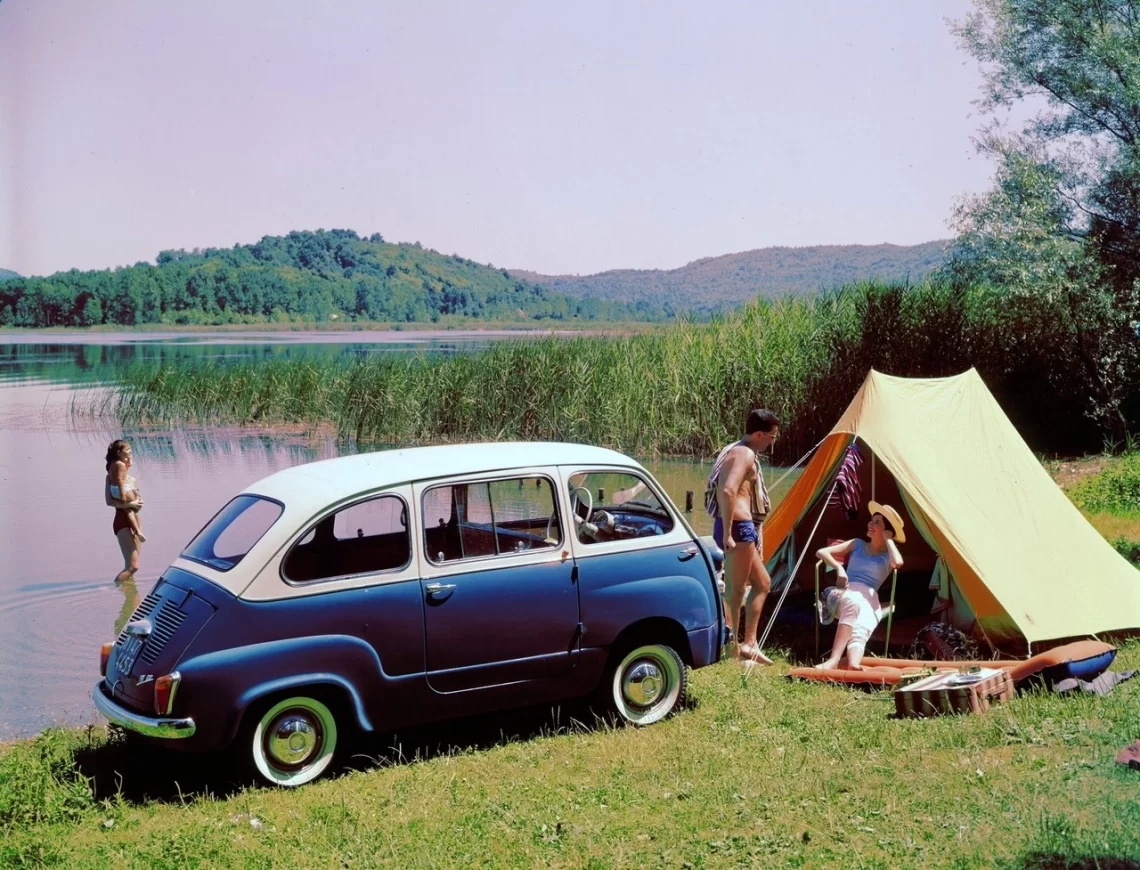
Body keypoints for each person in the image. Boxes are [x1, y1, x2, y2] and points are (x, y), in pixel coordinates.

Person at [711, 408, 780, 665]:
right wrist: (728, 533)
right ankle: (732, 648)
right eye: (772, 437)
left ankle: (749, 644)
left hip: (740, 527)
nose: (772, 442)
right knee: (736, 590)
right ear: (759, 434)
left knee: (762, 583)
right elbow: (728, 490)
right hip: (738, 528)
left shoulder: (736, 450)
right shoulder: (745, 453)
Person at [814, 501, 905, 670]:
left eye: (877, 522)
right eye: (871, 520)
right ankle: (834, 660)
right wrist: (839, 568)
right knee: (853, 603)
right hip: (843, 591)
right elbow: (821, 552)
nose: (870, 524)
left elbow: (898, 563)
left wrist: (888, 539)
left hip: (868, 598)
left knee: (864, 623)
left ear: (887, 530)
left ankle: (853, 663)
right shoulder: (857, 544)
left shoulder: (888, 556)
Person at [105, 439, 145, 583]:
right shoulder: (110, 478)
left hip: (135, 519)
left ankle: (130, 592)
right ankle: (115, 587)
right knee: (133, 566)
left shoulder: (132, 480)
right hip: (121, 521)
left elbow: (138, 502)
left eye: (130, 457)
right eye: (127, 456)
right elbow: (109, 502)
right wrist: (131, 503)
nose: (129, 459)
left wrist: (138, 502)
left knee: (132, 565)